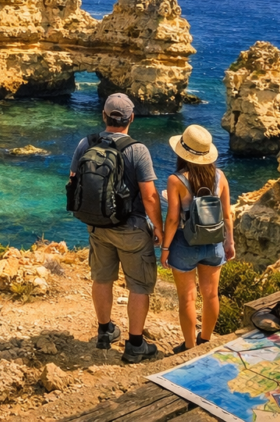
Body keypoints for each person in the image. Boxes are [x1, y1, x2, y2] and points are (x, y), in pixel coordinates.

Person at [69, 94, 164, 364]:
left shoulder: (85, 143)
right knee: (139, 284)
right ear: (131, 118)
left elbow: (74, 181)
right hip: (132, 228)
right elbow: (149, 196)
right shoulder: (137, 150)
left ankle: (105, 331)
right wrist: (159, 228)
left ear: (104, 116)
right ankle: (135, 345)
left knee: (102, 278)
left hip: (98, 226)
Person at [161, 125, 235, 353]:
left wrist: (165, 248)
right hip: (213, 243)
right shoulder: (220, 177)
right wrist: (229, 242)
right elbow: (226, 214)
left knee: (187, 298)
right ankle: (206, 340)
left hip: (185, 243)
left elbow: (173, 219)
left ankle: (190, 346)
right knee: (211, 294)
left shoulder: (176, 180)